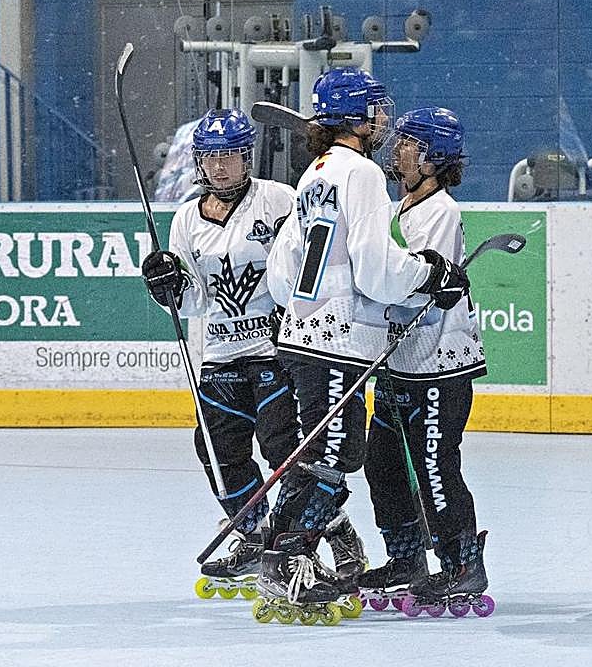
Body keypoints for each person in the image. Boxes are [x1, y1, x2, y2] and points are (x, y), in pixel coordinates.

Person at [258, 68, 471, 622]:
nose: (384, 123)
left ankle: (281, 553)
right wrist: (428, 277)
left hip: (303, 335)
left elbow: (281, 273)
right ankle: (292, 562)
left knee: (323, 453)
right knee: (334, 457)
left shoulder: (316, 173)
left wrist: (307, 307)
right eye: (376, 112)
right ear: (355, 119)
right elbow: (377, 271)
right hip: (336, 338)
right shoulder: (363, 174)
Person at [138, 107, 358, 597]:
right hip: (220, 354)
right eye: (210, 158)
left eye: (229, 157)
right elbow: (194, 299)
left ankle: (334, 528)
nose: (219, 167)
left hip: (276, 351)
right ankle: (255, 535)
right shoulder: (184, 221)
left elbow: (309, 258)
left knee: (285, 450)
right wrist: (166, 286)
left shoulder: (279, 201)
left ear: (246, 157)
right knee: (217, 453)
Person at [358, 106, 493, 618]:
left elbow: (418, 287)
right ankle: (406, 559)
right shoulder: (398, 212)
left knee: (435, 468)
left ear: (434, 156)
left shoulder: (441, 211)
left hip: (440, 366)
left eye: (410, 142)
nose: (398, 149)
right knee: (383, 465)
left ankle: (462, 564)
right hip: (398, 367)